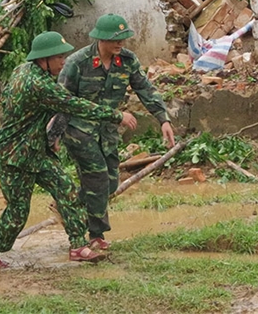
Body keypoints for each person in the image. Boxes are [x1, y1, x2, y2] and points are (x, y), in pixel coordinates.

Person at [0, 31, 137, 269]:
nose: (64, 62)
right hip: (16, 156)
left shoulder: (24, 70)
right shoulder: (39, 84)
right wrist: (117, 115)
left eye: (64, 57)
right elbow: (74, 104)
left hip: (38, 153)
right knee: (18, 213)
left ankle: (78, 246)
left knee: (68, 192)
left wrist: (50, 133)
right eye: (59, 58)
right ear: (44, 59)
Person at [52, 14, 175, 251]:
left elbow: (145, 89)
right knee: (96, 178)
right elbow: (61, 100)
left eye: (123, 39)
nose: (120, 44)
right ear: (100, 39)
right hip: (80, 130)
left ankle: (70, 206)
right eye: (115, 40)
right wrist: (55, 134)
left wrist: (163, 119)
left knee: (109, 183)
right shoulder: (78, 62)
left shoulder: (127, 61)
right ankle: (95, 235)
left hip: (108, 132)